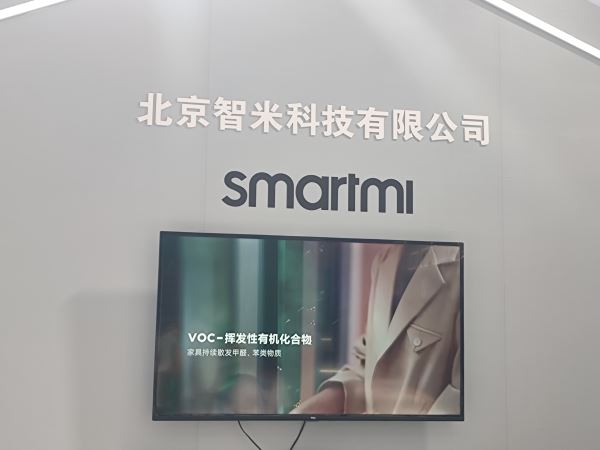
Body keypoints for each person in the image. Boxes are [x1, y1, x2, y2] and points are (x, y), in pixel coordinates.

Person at [292, 244, 461, 415]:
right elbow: (372, 364)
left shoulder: (462, 268)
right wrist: (310, 409)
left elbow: (461, 399)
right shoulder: (383, 262)